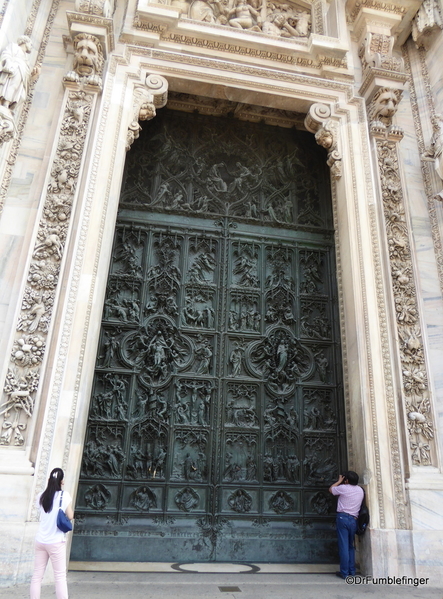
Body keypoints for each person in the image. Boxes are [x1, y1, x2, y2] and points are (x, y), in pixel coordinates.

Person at [30, 467, 74, 599]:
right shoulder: (64, 495)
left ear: (49, 480)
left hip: (41, 541)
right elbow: (70, 516)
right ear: (62, 482)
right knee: (60, 577)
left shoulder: (41, 496)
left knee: (37, 576)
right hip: (56, 542)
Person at [329, 470, 364, 580]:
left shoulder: (343, 488)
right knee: (350, 546)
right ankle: (352, 571)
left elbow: (331, 489)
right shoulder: (360, 490)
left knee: (343, 546)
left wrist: (339, 481)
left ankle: (344, 572)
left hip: (343, 518)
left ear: (346, 480)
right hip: (353, 520)